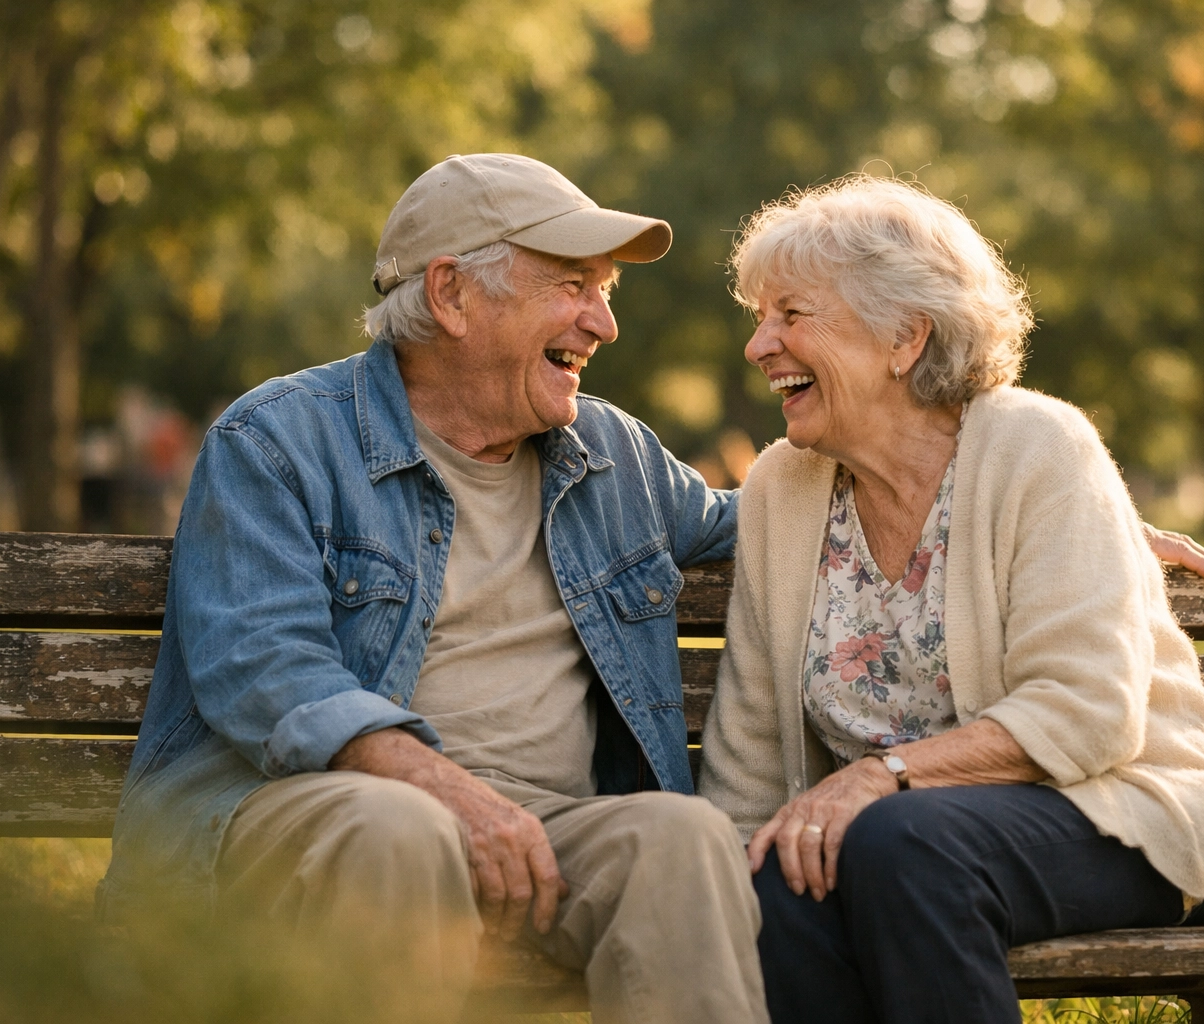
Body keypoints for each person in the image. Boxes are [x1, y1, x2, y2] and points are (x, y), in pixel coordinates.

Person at [99, 154, 769, 1024]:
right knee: (399, 827)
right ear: (451, 295)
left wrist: (939, 432)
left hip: (541, 829)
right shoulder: (279, 441)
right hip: (304, 813)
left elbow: (761, 518)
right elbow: (265, 670)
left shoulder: (613, 454)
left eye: (606, 292)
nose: (602, 322)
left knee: (682, 839)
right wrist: (448, 792)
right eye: (573, 285)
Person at [697, 175, 1204, 1024]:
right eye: (760, 317)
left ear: (905, 337)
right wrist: (742, 859)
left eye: (791, 313)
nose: (759, 345)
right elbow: (750, 747)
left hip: (1121, 811)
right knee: (780, 877)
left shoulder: (1038, 447)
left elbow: (1087, 714)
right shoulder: (784, 490)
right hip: (903, 847)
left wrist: (882, 778)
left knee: (898, 840)